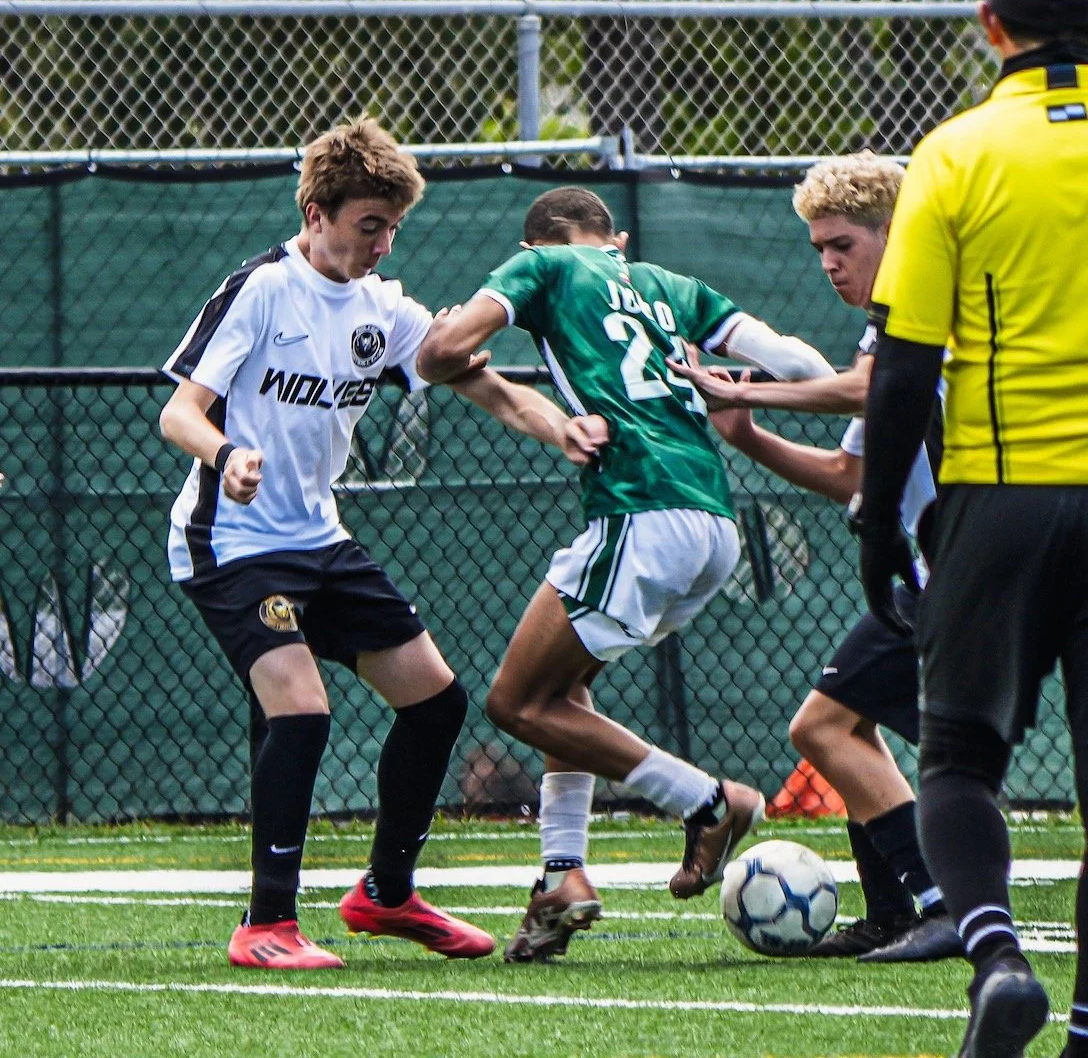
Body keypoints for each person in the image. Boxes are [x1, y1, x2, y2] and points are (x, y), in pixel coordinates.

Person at [159, 116, 605, 970]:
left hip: (320, 540)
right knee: (301, 712)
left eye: (394, 226)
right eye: (370, 225)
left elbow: (490, 388)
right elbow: (180, 410)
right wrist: (227, 452)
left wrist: (563, 430)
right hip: (234, 541)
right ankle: (266, 926)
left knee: (435, 702)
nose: (383, 242)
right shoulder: (261, 289)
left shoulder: (383, 308)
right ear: (317, 212)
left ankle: (385, 894)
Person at [416, 185, 837, 962]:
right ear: (621, 236)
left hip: (639, 509)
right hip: (713, 521)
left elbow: (438, 354)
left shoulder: (542, 269)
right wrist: (832, 406)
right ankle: (563, 875)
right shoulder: (666, 285)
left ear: (538, 244)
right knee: (563, 692)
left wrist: (453, 346)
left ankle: (709, 801)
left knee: (513, 702)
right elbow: (790, 357)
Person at [856, 0, 1088, 1058]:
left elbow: (902, 368)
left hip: (999, 492)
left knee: (955, 754)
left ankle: (996, 951)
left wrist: (874, 521)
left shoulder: (954, 151)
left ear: (989, 24)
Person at [673, 152, 960, 963]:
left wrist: (745, 392)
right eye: (818, 250)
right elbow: (849, 477)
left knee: (826, 725)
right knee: (842, 723)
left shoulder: (924, 308)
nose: (831, 263)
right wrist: (748, 437)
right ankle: (897, 912)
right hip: (929, 574)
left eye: (843, 245)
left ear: (892, 235)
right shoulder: (890, 332)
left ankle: (937, 904)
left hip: (962, 569)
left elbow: (866, 387)